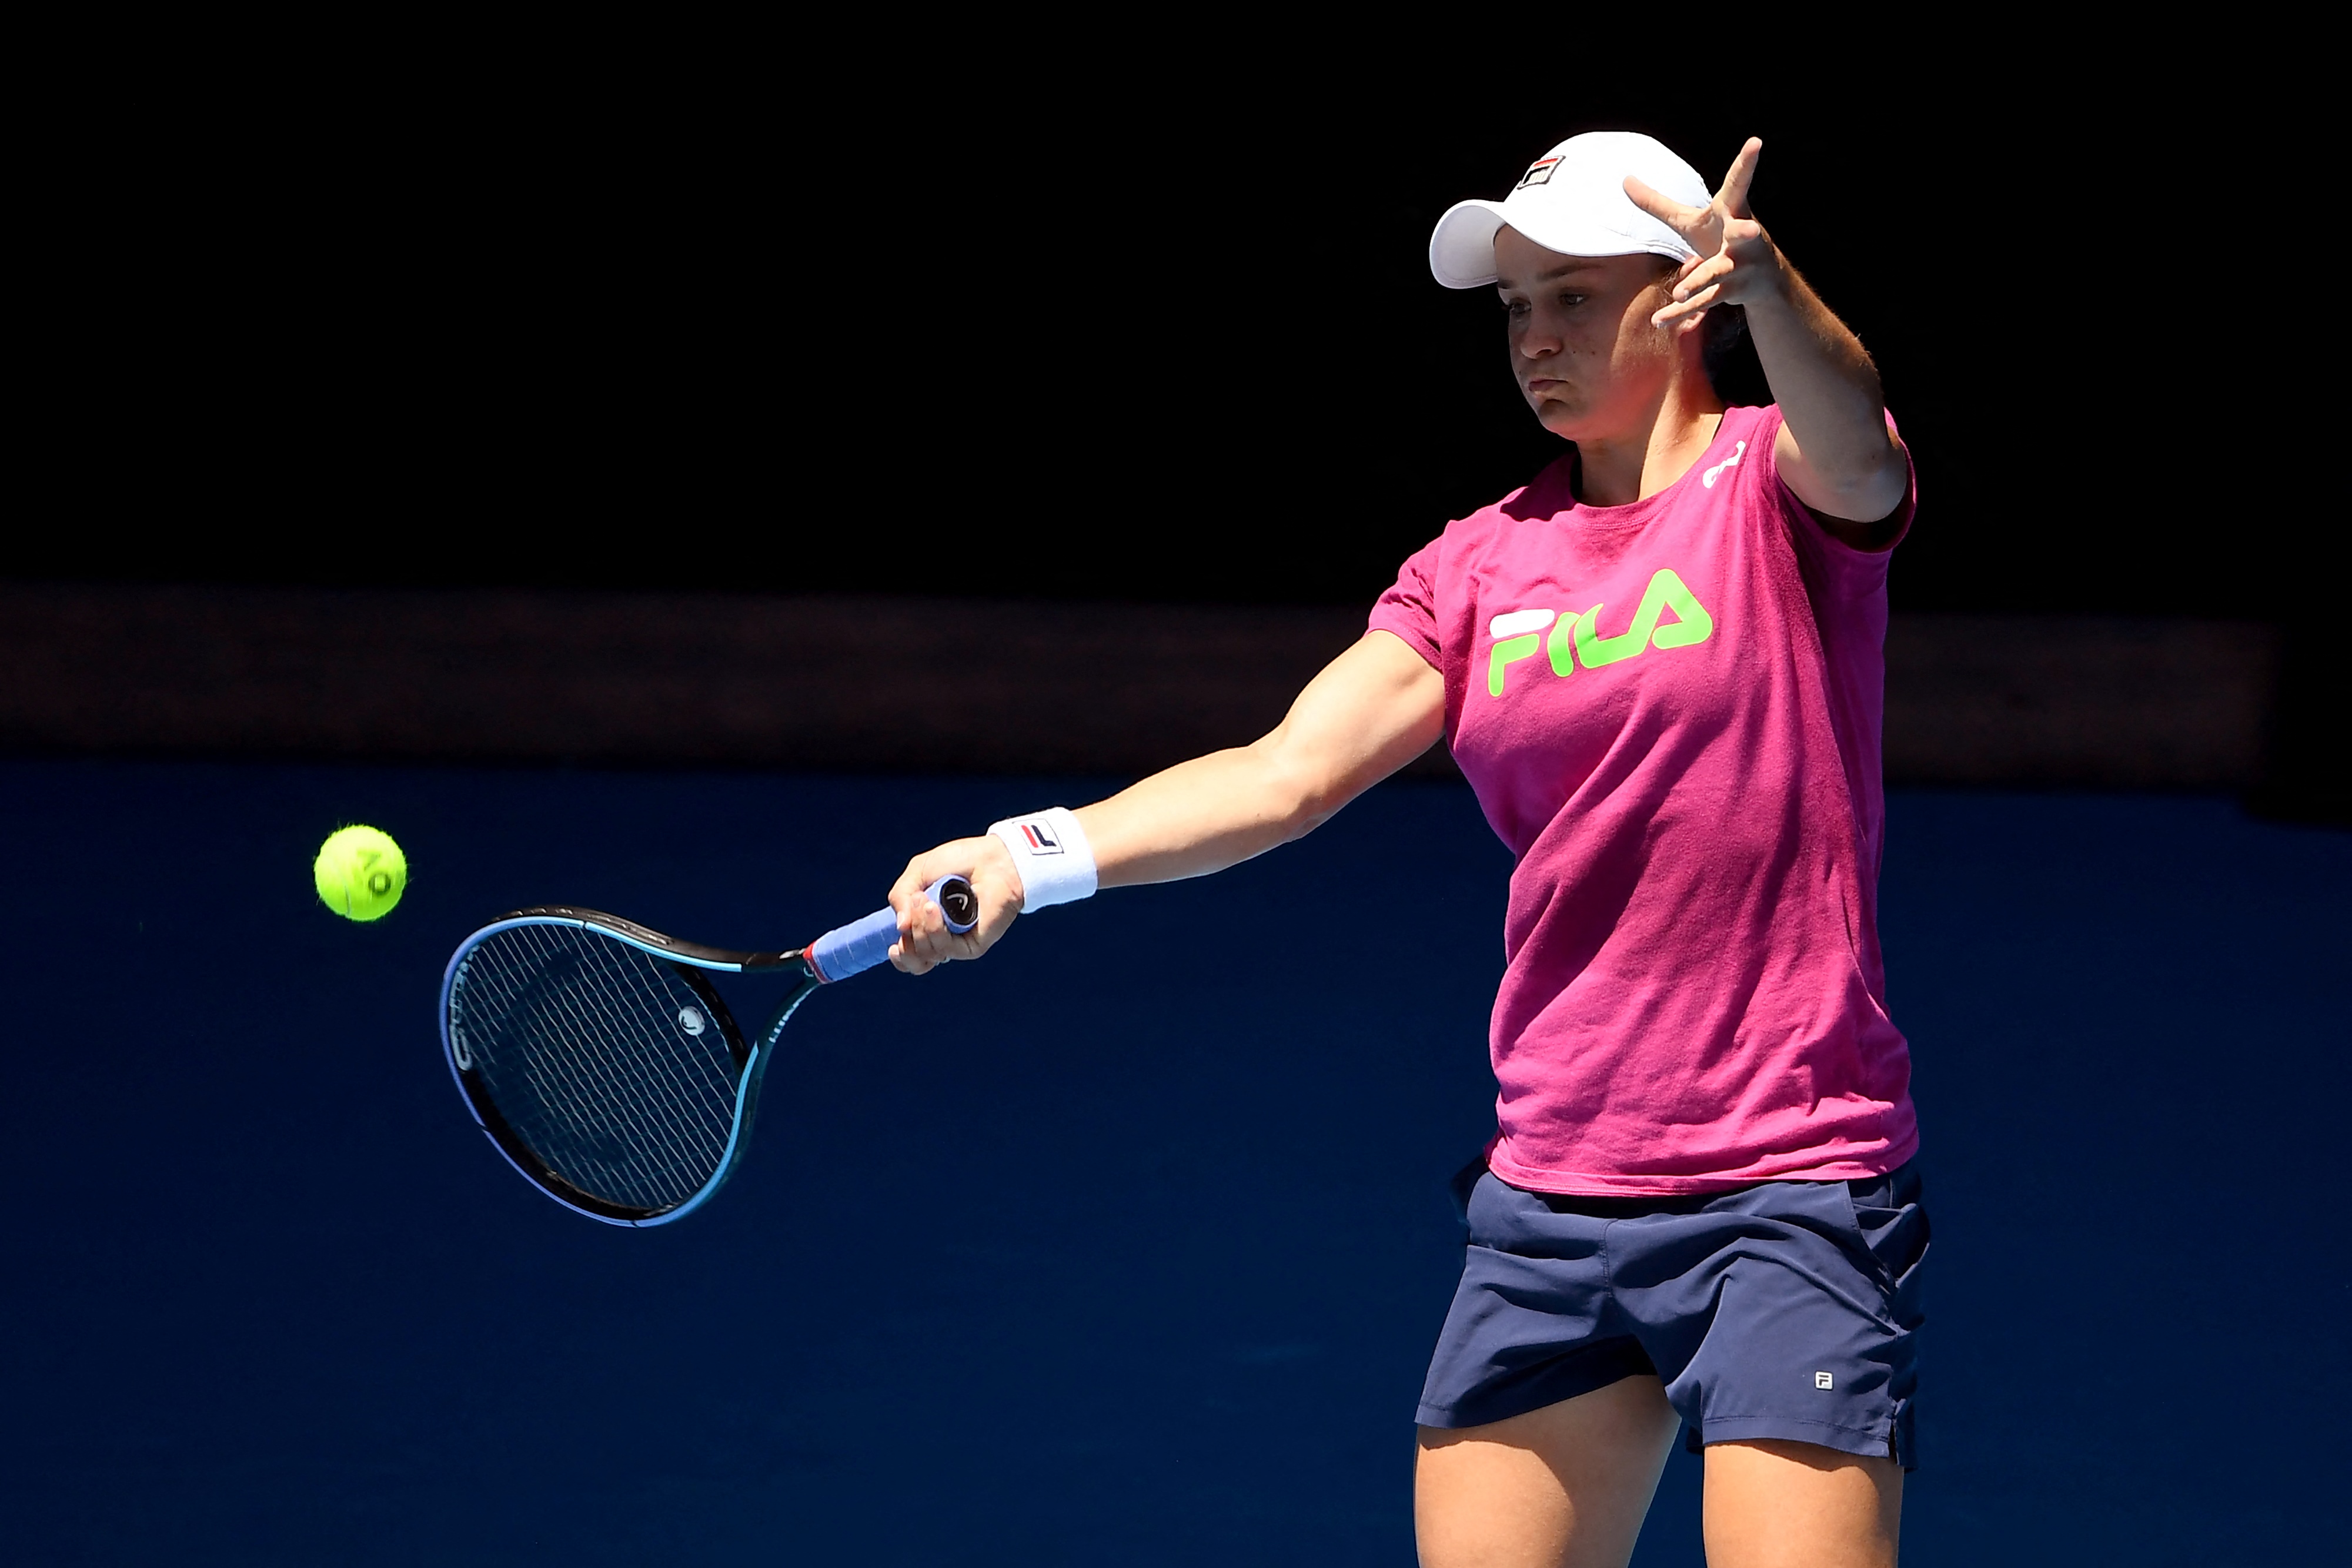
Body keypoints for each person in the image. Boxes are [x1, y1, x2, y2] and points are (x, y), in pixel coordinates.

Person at [883, 130, 1927, 1568]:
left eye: (1571, 297)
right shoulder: (1481, 563)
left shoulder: (1774, 489)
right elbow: (1285, 771)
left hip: (1788, 1180)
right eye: (1514, 309)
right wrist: (1029, 854)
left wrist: (1770, 290)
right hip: (1551, 1190)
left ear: (1682, 296)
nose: (1533, 339)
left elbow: (1858, 438)